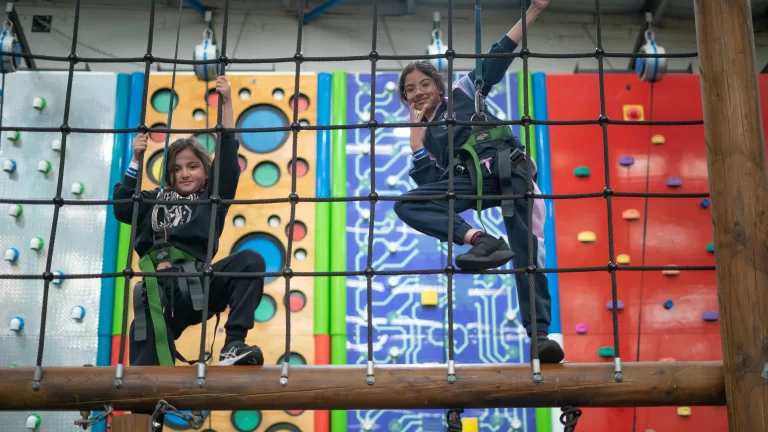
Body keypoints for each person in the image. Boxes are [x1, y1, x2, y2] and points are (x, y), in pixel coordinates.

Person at [393, 0, 564, 363]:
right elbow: (431, 191)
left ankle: (539, 336)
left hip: (506, 170)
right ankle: (482, 240)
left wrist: (532, 12)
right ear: (405, 98)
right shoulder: (424, 135)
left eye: (425, 83)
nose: (419, 91)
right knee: (407, 203)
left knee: (527, 254)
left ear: (438, 86)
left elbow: (497, 56)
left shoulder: (463, 93)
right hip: (471, 181)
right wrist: (416, 145)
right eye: (410, 89)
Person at [114, 75, 266, 367]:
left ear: (206, 173)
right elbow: (122, 208)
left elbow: (227, 156)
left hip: (199, 284)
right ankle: (153, 409)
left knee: (250, 261)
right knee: (146, 371)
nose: (185, 174)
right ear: (168, 175)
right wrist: (136, 159)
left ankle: (234, 343)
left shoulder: (212, 199)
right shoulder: (151, 200)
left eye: (193, 166)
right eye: (177, 168)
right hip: (159, 296)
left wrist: (227, 103)